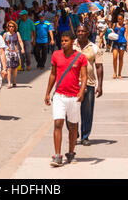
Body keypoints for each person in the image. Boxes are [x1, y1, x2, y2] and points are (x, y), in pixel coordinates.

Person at [45, 31, 88, 167]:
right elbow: (53, 74)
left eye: (66, 41)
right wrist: (47, 93)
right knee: (58, 123)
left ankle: (71, 152)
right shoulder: (56, 55)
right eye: (62, 41)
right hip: (59, 96)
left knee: (73, 126)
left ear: (72, 41)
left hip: (74, 97)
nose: (63, 43)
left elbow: (84, 76)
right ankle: (57, 155)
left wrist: (81, 92)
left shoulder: (81, 57)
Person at [74, 25, 103, 146]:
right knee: (70, 111)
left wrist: (100, 85)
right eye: (78, 31)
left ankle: (85, 136)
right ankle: (74, 133)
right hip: (72, 84)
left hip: (89, 83)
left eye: (83, 31)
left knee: (87, 112)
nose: (80, 33)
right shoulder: (71, 45)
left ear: (88, 32)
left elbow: (99, 66)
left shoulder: (95, 48)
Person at [3, 21, 25, 88]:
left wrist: (22, 48)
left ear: (15, 27)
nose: (11, 28)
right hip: (8, 52)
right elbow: (1, 43)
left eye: (12, 26)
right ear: (8, 27)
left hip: (15, 52)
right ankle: (9, 83)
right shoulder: (5, 34)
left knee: (15, 68)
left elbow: (20, 41)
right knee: (9, 68)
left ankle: (14, 81)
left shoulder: (17, 33)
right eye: (10, 26)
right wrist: (2, 51)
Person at [112, 14, 128, 79]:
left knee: (121, 58)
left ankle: (119, 73)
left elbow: (127, 35)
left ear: (123, 19)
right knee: (115, 57)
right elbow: (112, 31)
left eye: (121, 19)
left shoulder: (125, 26)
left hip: (122, 42)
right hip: (115, 42)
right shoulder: (115, 24)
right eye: (119, 19)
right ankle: (115, 72)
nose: (120, 20)